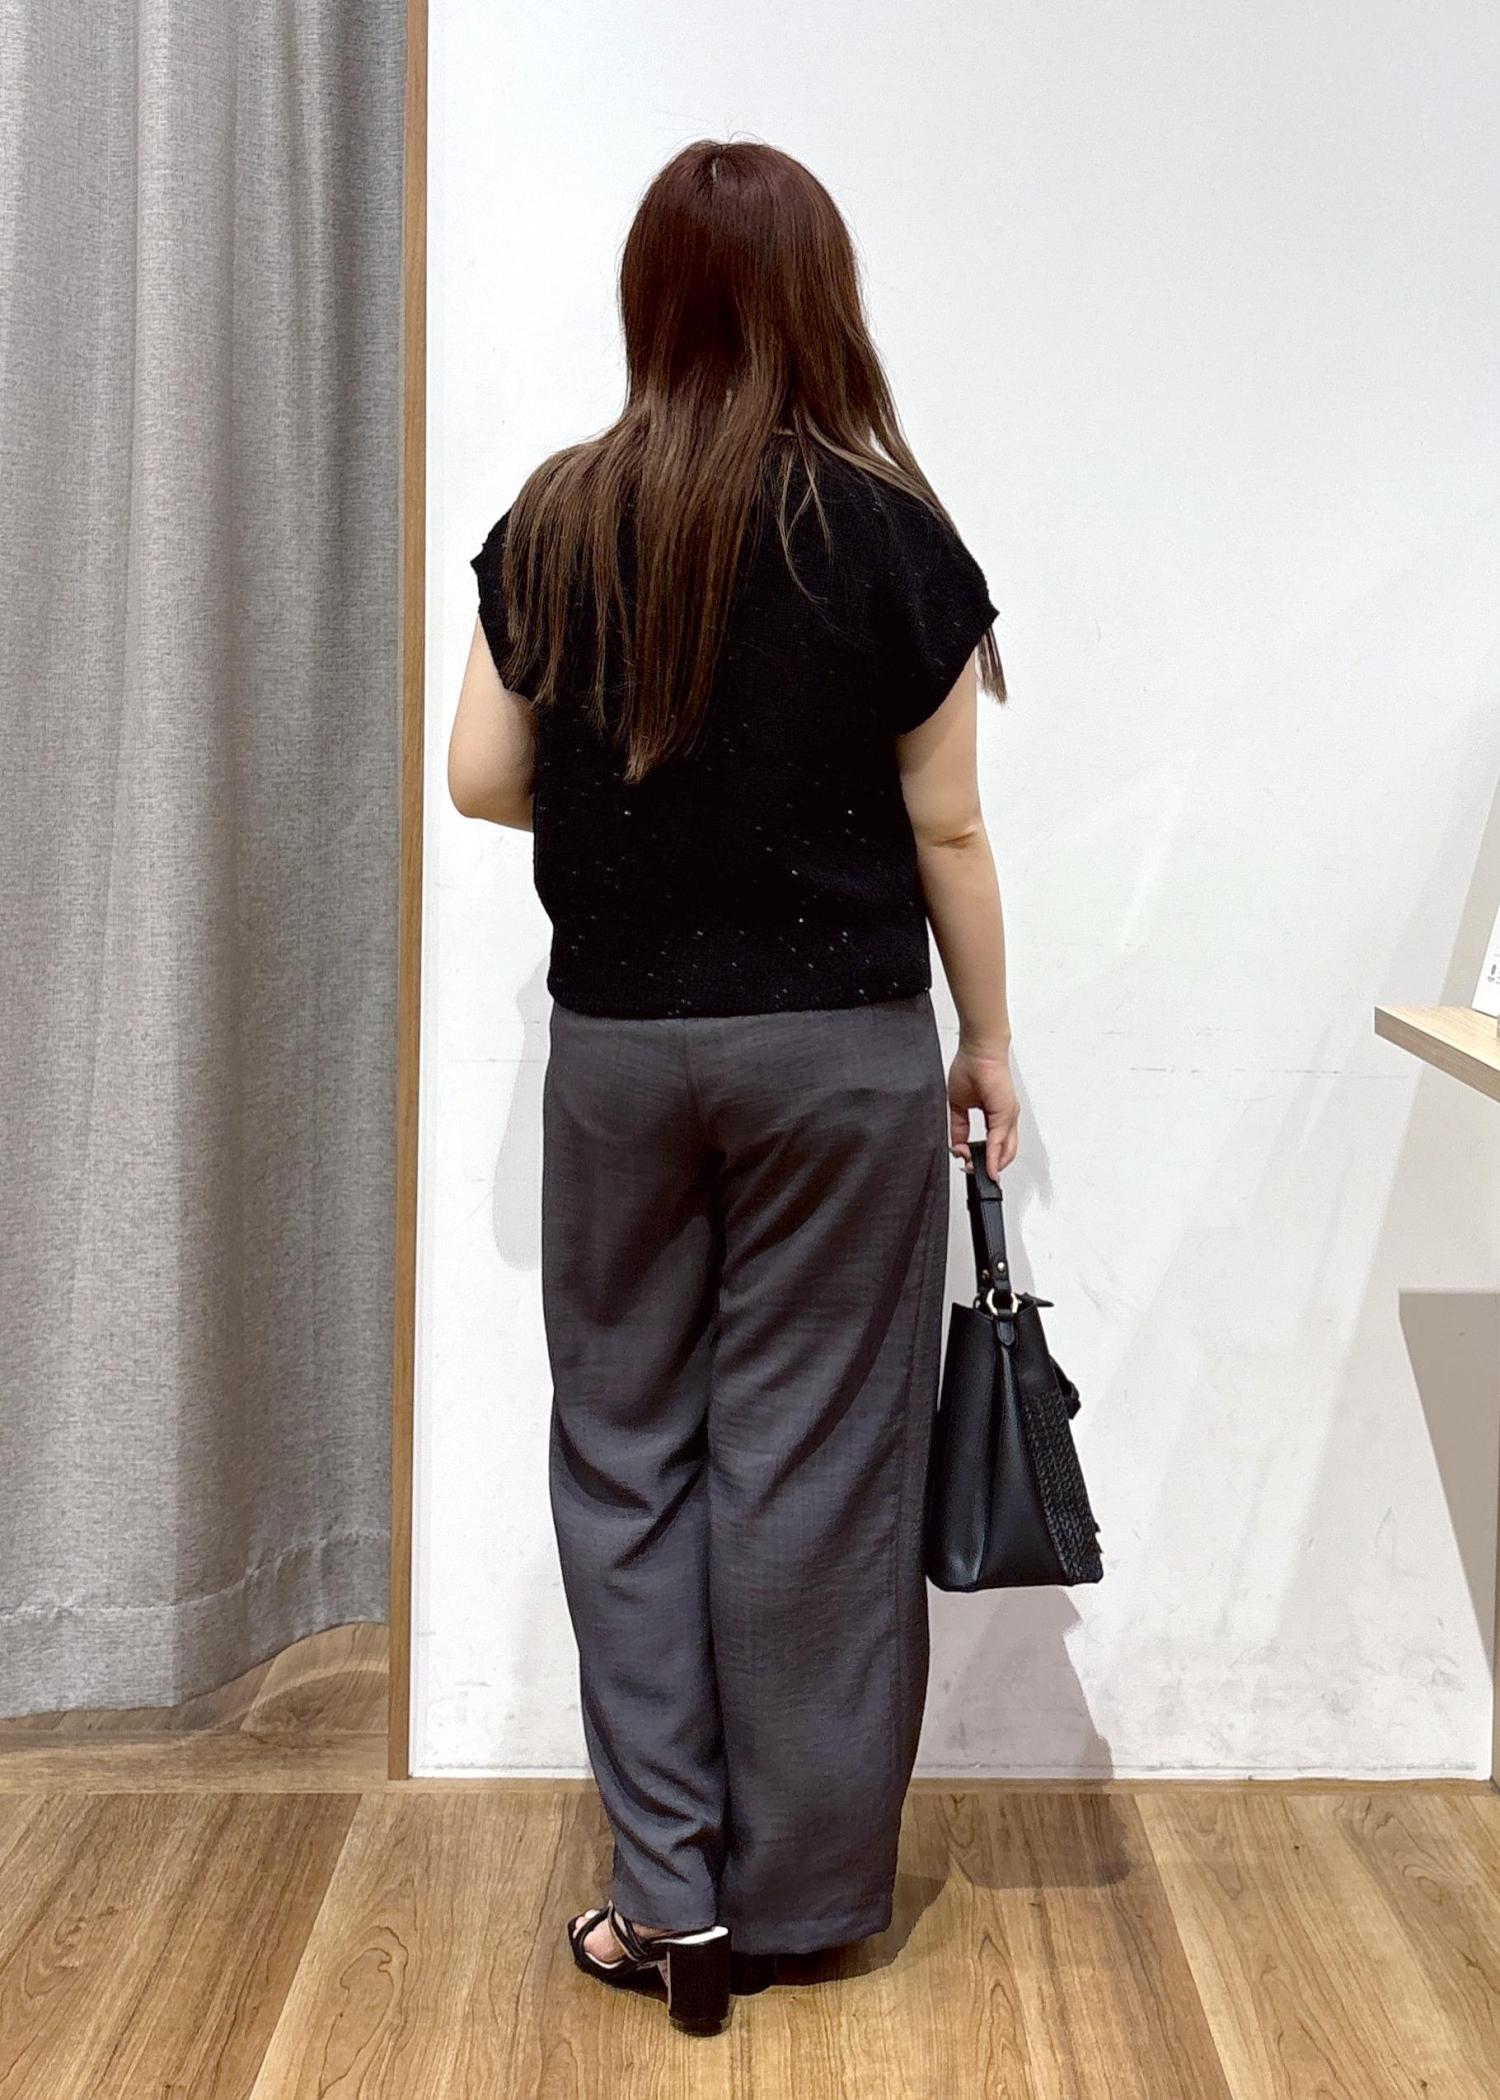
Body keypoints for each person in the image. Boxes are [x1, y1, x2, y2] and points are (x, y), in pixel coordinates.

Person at [448, 136, 1018, 2035]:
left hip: (621, 1053)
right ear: (820, 300)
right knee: (813, 1463)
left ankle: (667, 1902)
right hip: (841, 1056)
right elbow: (950, 829)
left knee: (625, 1450)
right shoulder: (893, 533)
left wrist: (642, 807)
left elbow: (479, 776)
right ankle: (797, 1902)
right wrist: (986, 1042)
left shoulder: (555, 518)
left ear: (650, 298)